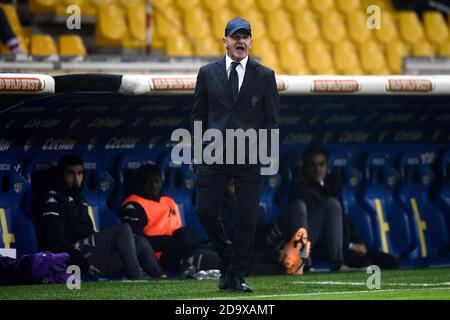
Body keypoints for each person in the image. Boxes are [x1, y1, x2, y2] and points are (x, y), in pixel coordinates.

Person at [191, 17, 280, 292]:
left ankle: (236, 275)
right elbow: (198, 115)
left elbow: (271, 119)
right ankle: (228, 257)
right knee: (205, 210)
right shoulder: (207, 73)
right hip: (214, 153)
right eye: (235, 36)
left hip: (249, 156)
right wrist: (198, 151)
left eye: (245, 36)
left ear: (251, 42)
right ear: (225, 41)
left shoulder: (265, 75)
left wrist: (265, 152)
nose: (240, 41)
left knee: (247, 216)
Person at [35, 155, 165, 280]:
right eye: (70, 173)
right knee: (124, 229)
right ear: (61, 174)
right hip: (74, 258)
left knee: (139, 242)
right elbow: (54, 241)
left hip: (90, 255)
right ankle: (138, 280)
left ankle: (162, 279)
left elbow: (88, 233)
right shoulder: (53, 199)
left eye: (79, 173)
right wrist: (81, 263)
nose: (76, 178)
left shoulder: (79, 199)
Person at [288, 144, 398, 271]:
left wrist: (358, 242)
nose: (317, 169)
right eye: (312, 165)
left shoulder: (333, 183)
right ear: (305, 167)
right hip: (321, 247)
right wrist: (350, 245)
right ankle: (338, 264)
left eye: (321, 164)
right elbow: (321, 228)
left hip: (345, 244)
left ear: (326, 165)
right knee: (364, 263)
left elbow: (344, 219)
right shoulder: (301, 187)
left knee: (390, 261)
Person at [120, 164, 221, 276]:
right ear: (140, 183)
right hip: (161, 254)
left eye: (156, 181)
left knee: (213, 248)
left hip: (182, 246)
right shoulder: (134, 205)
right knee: (203, 256)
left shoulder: (168, 201)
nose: (153, 185)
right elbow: (136, 242)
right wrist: (169, 240)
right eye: (148, 181)